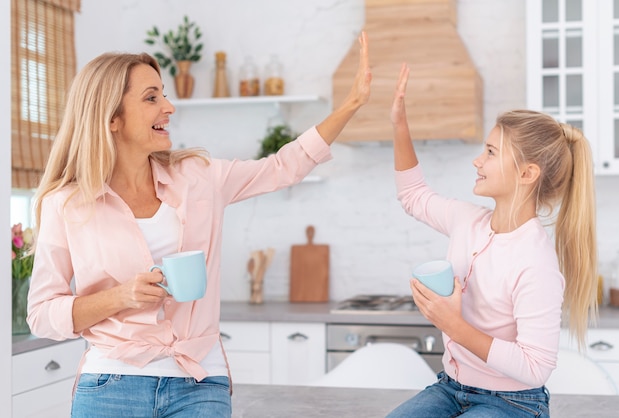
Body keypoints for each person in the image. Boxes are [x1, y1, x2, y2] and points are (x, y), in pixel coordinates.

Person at [27, 32, 371, 417]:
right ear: (112, 118)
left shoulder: (199, 178)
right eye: (152, 97)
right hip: (111, 382)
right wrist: (122, 297)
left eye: (165, 94)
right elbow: (42, 314)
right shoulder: (68, 204)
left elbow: (281, 167)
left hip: (198, 379)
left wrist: (352, 104)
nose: (169, 107)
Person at [386, 63, 597, 418]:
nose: (477, 160)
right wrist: (399, 124)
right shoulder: (467, 220)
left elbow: (536, 367)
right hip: (451, 388)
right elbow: (413, 196)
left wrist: (453, 325)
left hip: (513, 402)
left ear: (527, 174)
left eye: (491, 152)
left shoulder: (535, 262)